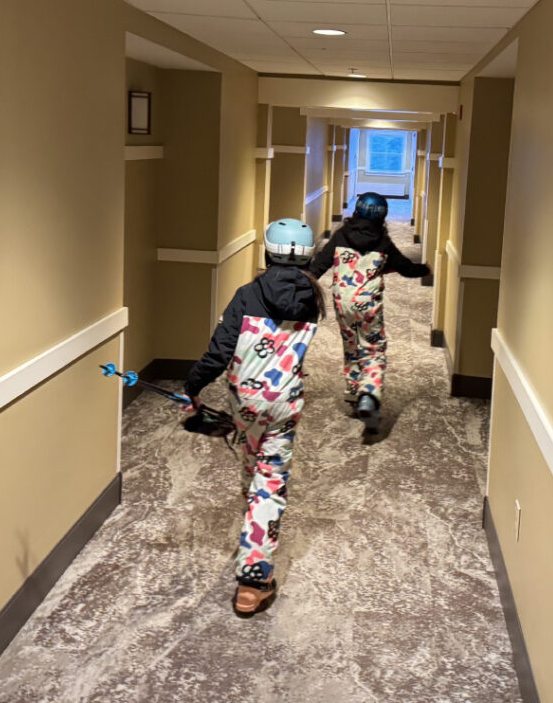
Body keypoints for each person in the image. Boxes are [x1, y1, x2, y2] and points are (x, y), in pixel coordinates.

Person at [184, 218, 326, 615]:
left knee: (252, 461)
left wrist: (191, 386)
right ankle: (254, 578)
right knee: (271, 482)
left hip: (244, 403)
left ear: (266, 252)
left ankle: (252, 531)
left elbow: (219, 352)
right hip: (284, 403)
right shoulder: (313, 299)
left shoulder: (247, 295)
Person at [308, 192, 430, 430]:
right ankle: (369, 394)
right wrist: (423, 269)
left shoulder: (340, 236)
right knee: (373, 348)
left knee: (351, 343)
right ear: (382, 216)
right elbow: (405, 267)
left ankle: (354, 392)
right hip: (369, 305)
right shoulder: (383, 242)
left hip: (343, 302)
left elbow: (319, 266)